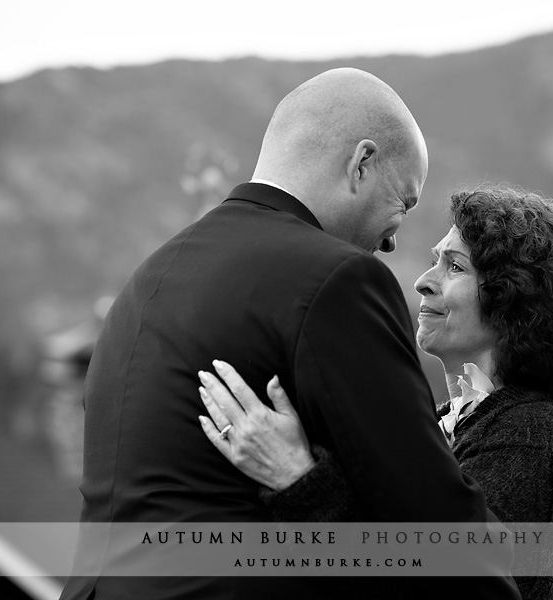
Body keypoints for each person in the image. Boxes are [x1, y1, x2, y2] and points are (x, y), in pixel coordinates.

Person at [59, 69, 519, 600]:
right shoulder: (336, 280)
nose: (393, 244)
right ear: (362, 163)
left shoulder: (148, 281)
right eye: (405, 202)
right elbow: (433, 526)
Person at [197, 183, 553, 600]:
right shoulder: (453, 421)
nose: (423, 281)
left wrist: (296, 477)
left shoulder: (532, 433)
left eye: (454, 266)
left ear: (514, 300)